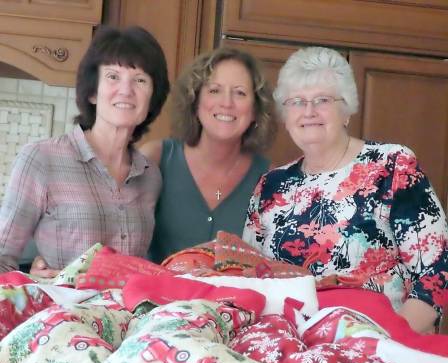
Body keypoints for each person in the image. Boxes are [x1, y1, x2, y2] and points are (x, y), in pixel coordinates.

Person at [243, 46, 448, 333]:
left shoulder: (392, 166)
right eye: (297, 102)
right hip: (289, 347)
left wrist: (389, 343)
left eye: (322, 100)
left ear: (347, 110)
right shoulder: (270, 186)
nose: (309, 111)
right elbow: (250, 279)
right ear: (285, 116)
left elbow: (435, 276)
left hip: (381, 348)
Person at [0, 25, 170, 276]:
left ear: (152, 98)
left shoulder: (150, 176)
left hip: (129, 315)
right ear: (92, 91)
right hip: (60, 313)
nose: (126, 90)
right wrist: (35, 283)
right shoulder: (41, 159)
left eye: (140, 80)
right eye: (113, 76)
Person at [138, 47, 276, 263]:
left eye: (240, 92)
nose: (227, 103)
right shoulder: (155, 158)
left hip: (233, 297)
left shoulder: (270, 180)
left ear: (256, 110)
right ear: (194, 101)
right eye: (214, 90)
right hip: (156, 296)